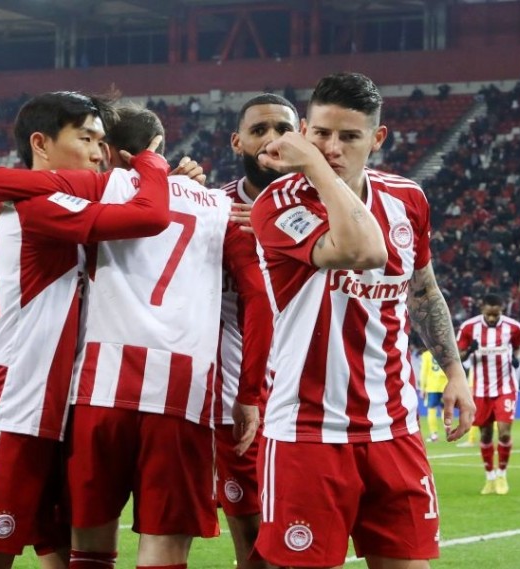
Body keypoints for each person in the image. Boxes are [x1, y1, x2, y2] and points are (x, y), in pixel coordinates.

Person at [0, 91, 172, 569]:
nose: (98, 153)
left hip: (64, 415)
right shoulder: (39, 209)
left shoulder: (58, 205)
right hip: (15, 412)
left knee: (69, 557)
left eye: (103, 142)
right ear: (41, 143)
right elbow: (150, 215)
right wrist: (153, 165)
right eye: (85, 139)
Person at [249, 72, 475, 569]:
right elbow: (363, 249)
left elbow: (422, 290)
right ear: (302, 132)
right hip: (307, 432)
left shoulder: (408, 199)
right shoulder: (279, 204)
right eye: (321, 134)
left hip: (394, 427)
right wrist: (317, 169)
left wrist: (455, 372)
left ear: (377, 138)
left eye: (349, 136)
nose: (332, 148)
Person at [62, 105, 254, 569]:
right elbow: (259, 300)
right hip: (183, 393)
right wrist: (249, 393)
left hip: (100, 385)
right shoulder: (219, 206)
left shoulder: (98, 191)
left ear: (109, 151)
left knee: (89, 546)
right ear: (159, 146)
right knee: (164, 549)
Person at [216, 92, 299, 569]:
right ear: (237, 141)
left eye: (283, 129)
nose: (271, 139)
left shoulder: (329, 203)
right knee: (250, 541)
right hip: (238, 391)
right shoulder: (214, 208)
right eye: (259, 130)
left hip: (313, 396)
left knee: (304, 542)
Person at [457, 293, 520, 496]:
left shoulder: (514, 327)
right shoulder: (469, 327)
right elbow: (458, 356)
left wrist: (517, 359)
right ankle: (490, 477)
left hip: (506, 388)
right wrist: (470, 350)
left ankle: (502, 474)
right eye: (489, 314)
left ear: (502, 309)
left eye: (496, 314)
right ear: (482, 309)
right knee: (485, 434)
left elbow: (518, 347)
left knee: (504, 432)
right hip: (480, 390)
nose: (493, 318)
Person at [419, 348, 449, 443]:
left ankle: (434, 434)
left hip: (432, 386)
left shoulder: (426, 355)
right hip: (445, 386)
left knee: (431, 410)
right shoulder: (446, 354)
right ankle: (447, 427)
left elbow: (423, 372)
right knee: (445, 409)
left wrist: (422, 388)